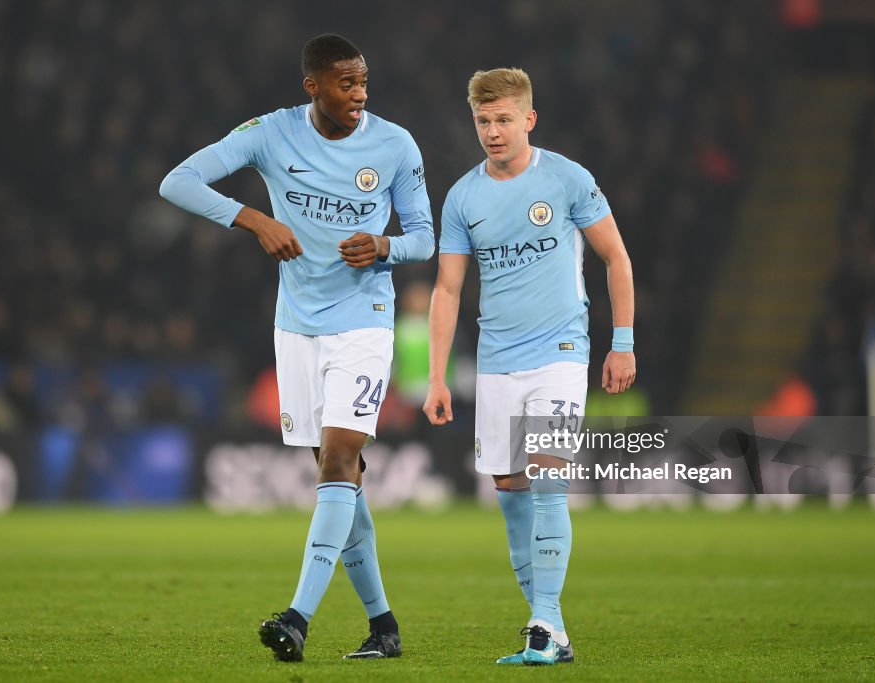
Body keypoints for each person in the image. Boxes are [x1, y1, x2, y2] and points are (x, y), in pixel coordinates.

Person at [160, 34, 434, 662]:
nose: (359, 94)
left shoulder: (394, 145)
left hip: (365, 318)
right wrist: (252, 218)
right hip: (297, 325)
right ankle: (383, 627)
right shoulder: (270, 133)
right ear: (313, 86)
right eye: (345, 83)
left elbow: (426, 235)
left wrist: (386, 246)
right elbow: (178, 181)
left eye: (363, 82)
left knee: (339, 458)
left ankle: (297, 618)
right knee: (342, 477)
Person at [423, 68, 636, 666]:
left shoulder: (568, 179)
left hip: (561, 355)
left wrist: (622, 342)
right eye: (483, 121)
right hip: (496, 362)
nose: (492, 131)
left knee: (548, 480)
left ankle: (541, 624)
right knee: (511, 489)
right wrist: (438, 376)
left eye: (503, 120)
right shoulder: (464, 196)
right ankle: (553, 632)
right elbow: (447, 289)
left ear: (528, 119)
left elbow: (615, 258)